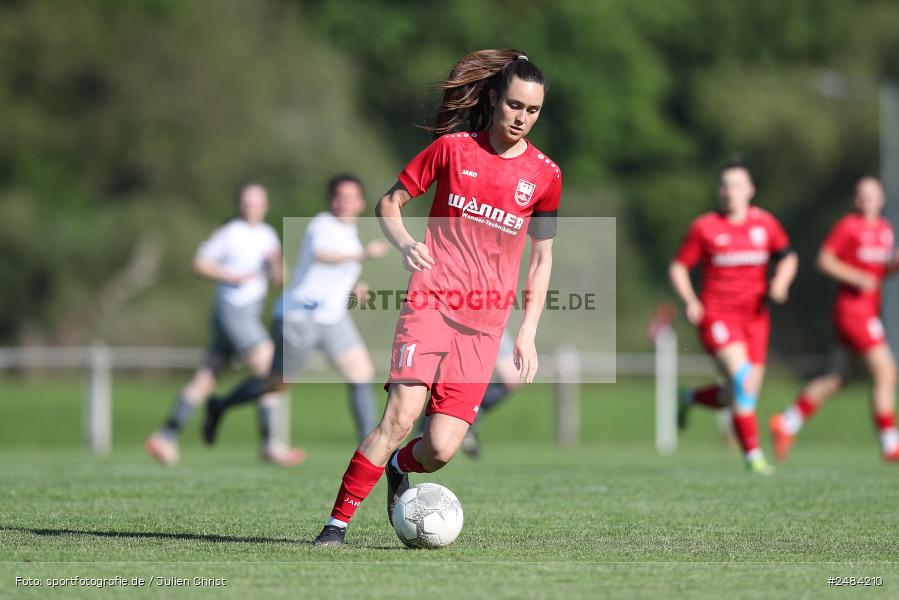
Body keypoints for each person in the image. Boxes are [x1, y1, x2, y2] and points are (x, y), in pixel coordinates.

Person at [313, 49, 562, 547]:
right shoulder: (452, 150)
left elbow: (541, 259)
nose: (521, 118)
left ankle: (398, 468)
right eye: (514, 105)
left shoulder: (545, 175)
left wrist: (529, 333)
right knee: (401, 417)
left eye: (532, 111)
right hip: (430, 304)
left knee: (442, 449)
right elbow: (390, 203)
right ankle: (335, 525)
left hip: (485, 325)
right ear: (493, 99)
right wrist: (406, 243)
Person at [202, 174, 389, 446]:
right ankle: (220, 404)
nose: (346, 203)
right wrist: (363, 255)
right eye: (340, 197)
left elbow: (330, 273)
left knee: (361, 371)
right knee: (276, 384)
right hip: (299, 316)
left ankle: (369, 445)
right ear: (332, 201)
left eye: (352, 198)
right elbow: (321, 255)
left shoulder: (350, 233)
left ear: (361, 203)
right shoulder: (322, 225)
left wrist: (354, 286)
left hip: (333, 318)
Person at [145, 182, 299, 465]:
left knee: (206, 378)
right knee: (272, 371)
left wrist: (276, 263)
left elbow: (279, 279)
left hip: (246, 313)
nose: (251, 206)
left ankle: (166, 436)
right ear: (239, 204)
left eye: (257, 202)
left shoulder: (267, 235)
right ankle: (268, 442)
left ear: (265, 205)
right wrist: (229, 275)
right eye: (246, 202)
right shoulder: (229, 232)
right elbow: (199, 263)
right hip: (233, 311)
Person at [669, 160, 797, 474]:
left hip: (755, 319)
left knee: (739, 393)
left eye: (737, 185)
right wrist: (689, 300)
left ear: (750, 190)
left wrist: (781, 281)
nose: (730, 191)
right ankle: (752, 457)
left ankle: (689, 397)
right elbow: (678, 266)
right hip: (717, 316)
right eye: (725, 185)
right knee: (742, 380)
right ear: (719, 191)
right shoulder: (705, 227)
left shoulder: (765, 224)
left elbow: (788, 257)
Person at [769, 177, 899, 462]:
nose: (867, 200)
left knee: (836, 377)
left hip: (867, 309)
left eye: (872, 195)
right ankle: (891, 444)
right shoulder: (848, 227)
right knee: (887, 372)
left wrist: (893, 265)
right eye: (861, 195)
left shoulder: (886, 231)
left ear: (881, 200)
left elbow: (879, 272)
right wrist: (855, 276)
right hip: (852, 310)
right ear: (855, 199)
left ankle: (786, 423)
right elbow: (824, 260)